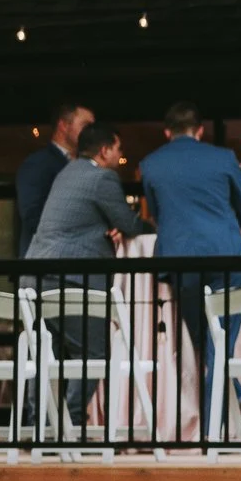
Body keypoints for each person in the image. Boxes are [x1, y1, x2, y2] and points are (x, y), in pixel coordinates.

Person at [138, 101, 241, 416]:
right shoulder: (223, 158)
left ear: (167, 132)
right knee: (219, 345)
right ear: (201, 131)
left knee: (206, 343)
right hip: (227, 257)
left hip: (182, 261)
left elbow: (157, 215)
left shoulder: (150, 164)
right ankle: (213, 430)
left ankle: (235, 401)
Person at [25, 121, 140, 431]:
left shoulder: (67, 173)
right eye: (118, 150)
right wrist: (141, 222)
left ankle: (38, 427)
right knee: (93, 353)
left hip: (36, 276)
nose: (119, 156)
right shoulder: (103, 178)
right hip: (72, 278)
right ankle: (71, 422)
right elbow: (130, 225)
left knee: (43, 356)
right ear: (104, 150)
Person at [15, 101, 93, 255]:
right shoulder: (38, 164)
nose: (92, 133)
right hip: (47, 265)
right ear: (64, 126)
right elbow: (32, 216)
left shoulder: (88, 165)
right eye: (85, 126)